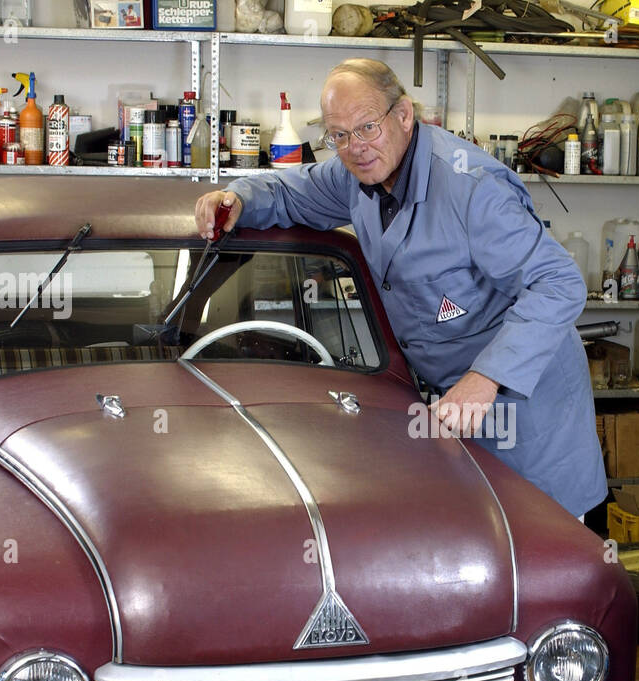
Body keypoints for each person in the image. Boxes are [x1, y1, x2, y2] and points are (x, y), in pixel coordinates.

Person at [194, 58, 606, 519]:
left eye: (368, 127)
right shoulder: (357, 173)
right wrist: (236, 199)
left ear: (404, 115)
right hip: (449, 410)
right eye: (340, 135)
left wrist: (486, 378)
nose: (356, 147)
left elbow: (558, 282)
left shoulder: (472, 188)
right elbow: (290, 194)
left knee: (544, 562)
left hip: (525, 406)